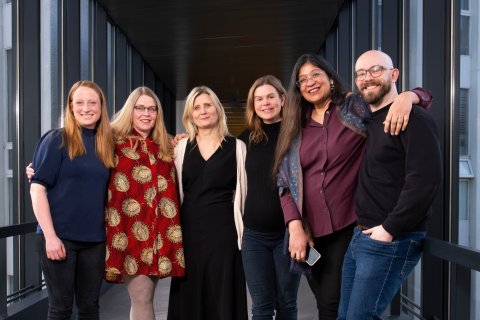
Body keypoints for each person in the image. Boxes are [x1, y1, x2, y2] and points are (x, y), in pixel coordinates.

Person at [272, 53, 432, 319]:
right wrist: (295, 226)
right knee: (325, 301)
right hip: (310, 234)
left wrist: (409, 97)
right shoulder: (295, 127)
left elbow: (389, 96)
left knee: (334, 305)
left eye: (316, 75)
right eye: (303, 80)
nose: (310, 82)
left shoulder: (353, 108)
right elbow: (284, 183)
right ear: (298, 88)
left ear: (330, 79)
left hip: (349, 228)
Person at [337, 50, 442, 320]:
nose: (367, 78)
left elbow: (424, 182)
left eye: (376, 70)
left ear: (393, 74)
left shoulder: (414, 119)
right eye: (361, 73)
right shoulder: (367, 119)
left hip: (390, 238)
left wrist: (388, 230)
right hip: (361, 236)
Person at [30, 80, 115, 319]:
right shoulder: (56, 140)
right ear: (70, 106)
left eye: (92, 102)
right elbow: (37, 190)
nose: (86, 108)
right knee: (60, 308)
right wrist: (50, 237)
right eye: (79, 102)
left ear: (101, 107)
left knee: (90, 308)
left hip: (95, 241)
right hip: (59, 239)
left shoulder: (106, 144)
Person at [167, 86, 248, 320]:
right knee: (189, 293)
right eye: (196, 107)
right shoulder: (180, 148)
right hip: (188, 231)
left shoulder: (237, 148)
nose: (203, 111)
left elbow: (245, 195)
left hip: (225, 233)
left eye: (207, 105)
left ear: (217, 109)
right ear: (190, 115)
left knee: (222, 291)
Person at [104, 87, 185, 320]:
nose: (146, 113)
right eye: (140, 108)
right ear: (131, 110)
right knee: (142, 298)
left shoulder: (167, 147)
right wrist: (38, 169)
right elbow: (79, 157)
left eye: (152, 108)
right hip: (128, 234)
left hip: (160, 236)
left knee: (143, 298)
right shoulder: (113, 141)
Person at [239, 75, 301, 319]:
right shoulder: (245, 140)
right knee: (262, 307)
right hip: (254, 237)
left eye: (270, 97)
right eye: (259, 99)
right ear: (253, 104)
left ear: (282, 99)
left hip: (289, 236)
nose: (265, 103)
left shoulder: (297, 135)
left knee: (287, 305)